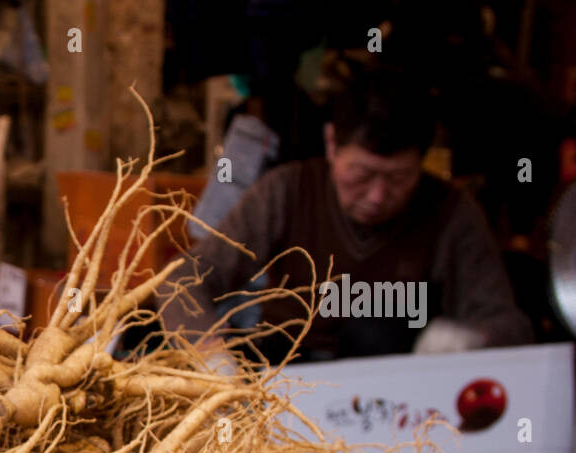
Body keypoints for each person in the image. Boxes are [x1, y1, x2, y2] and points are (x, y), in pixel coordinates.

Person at [160, 68, 534, 366]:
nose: (377, 196)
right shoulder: (287, 190)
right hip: (288, 379)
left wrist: (474, 339)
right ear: (332, 144)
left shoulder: (451, 213)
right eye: (362, 174)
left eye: (398, 179)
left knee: (377, 330)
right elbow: (183, 279)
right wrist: (209, 352)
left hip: (400, 391)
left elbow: (509, 323)